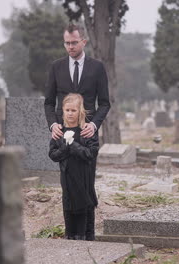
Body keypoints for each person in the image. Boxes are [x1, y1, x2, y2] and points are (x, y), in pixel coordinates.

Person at [44, 23, 110, 141]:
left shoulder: (98, 67)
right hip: (62, 134)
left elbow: (104, 103)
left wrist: (93, 125)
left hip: (88, 135)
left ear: (83, 42)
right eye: (67, 43)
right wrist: (53, 125)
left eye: (74, 42)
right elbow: (49, 102)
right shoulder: (55, 67)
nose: (70, 47)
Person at [48, 93, 99, 240]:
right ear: (63, 111)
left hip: (83, 179)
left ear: (80, 112)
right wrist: (65, 147)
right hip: (67, 179)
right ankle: (70, 236)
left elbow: (91, 153)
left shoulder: (87, 132)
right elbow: (53, 155)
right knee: (69, 207)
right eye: (67, 110)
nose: (70, 113)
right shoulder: (59, 132)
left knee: (84, 207)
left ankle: (85, 237)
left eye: (74, 110)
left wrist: (74, 146)